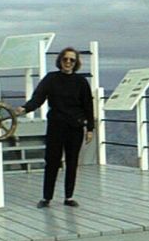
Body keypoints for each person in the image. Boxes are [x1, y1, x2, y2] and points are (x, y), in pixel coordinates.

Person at [16, 47, 94, 208]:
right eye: (65, 59)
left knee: (72, 163)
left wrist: (90, 129)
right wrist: (25, 108)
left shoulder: (81, 82)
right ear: (60, 60)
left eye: (72, 60)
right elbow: (38, 98)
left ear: (76, 63)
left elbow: (88, 106)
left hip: (75, 127)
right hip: (56, 126)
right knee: (52, 161)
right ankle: (46, 198)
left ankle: (69, 197)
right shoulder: (51, 79)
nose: (68, 62)